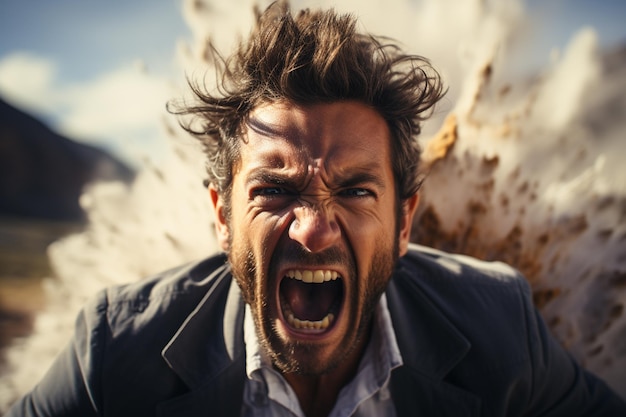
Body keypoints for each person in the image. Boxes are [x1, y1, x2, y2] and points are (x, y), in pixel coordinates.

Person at [7, 3, 626, 417]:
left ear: (405, 222)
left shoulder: (503, 330)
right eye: (274, 191)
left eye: (356, 191)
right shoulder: (115, 354)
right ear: (222, 216)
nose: (312, 229)